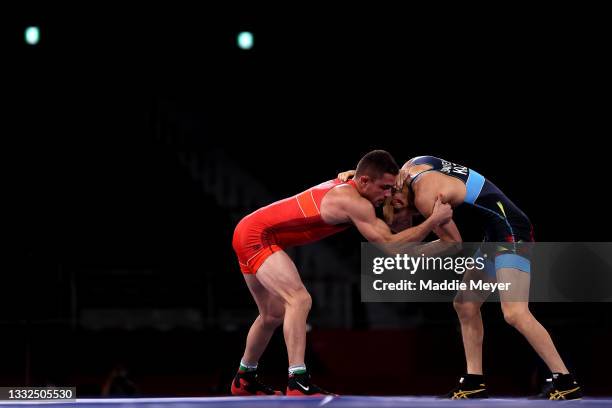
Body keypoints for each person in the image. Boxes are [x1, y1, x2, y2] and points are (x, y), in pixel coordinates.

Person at [339, 155, 582, 400]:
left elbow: (453, 243)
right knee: (465, 304)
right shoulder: (410, 167)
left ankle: (565, 380)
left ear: (398, 198)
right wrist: (357, 177)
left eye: (403, 216)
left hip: (510, 231)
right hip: (496, 231)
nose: (410, 222)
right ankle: (473, 381)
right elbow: (387, 172)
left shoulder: (424, 196)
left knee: (515, 312)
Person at [230, 150, 453, 396]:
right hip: (257, 235)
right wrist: (433, 221)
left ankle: (245, 378)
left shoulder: (355, 183)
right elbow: (391, 246)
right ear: (365, 181)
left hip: (250, 229)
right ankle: (297, 379)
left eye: (391, 189)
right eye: (385, 188)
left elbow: (397, 236)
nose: (388, 195)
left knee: (271, 315)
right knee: (299, 299)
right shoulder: (352, 202)